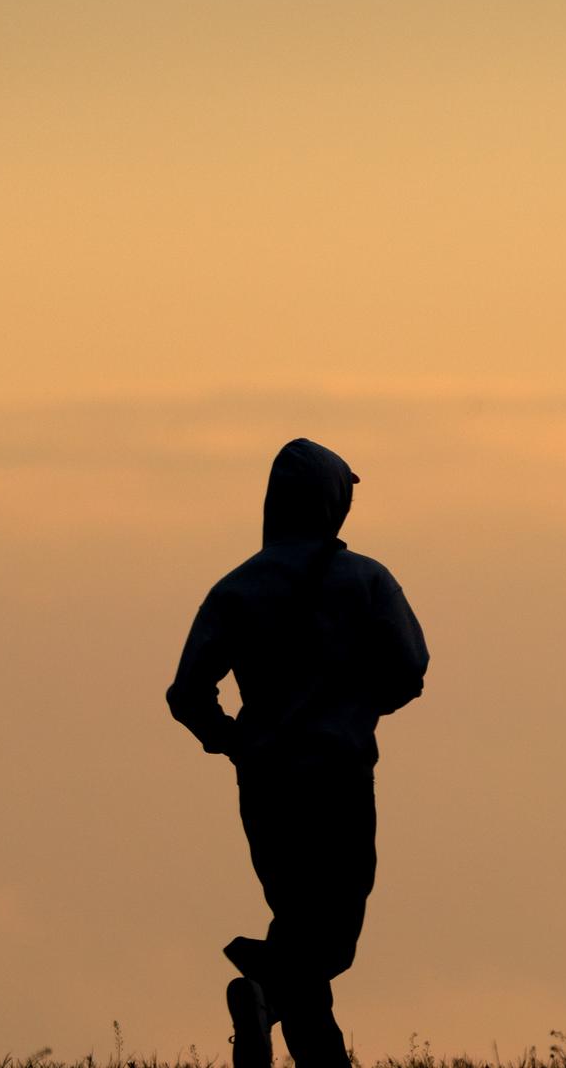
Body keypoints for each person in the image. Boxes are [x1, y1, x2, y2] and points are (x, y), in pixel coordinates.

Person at [167, 438, 430, 1068]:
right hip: (338, 774)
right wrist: (358, 708)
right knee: (330, 931)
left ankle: (284, 1020)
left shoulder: (237, 588)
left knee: (298, 917)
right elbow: (410, 667)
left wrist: (229, 740)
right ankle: (270, 999)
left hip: (265, 781)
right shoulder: (365, 578)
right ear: (333, 503)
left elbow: (188, 692)